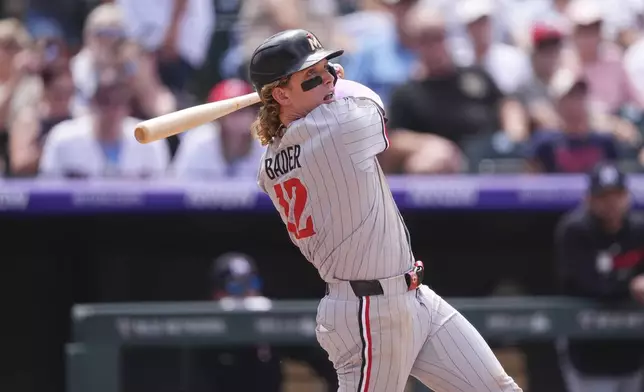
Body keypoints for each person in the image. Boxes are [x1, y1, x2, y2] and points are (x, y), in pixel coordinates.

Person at [249, 28, 522, 392]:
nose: (331, 77)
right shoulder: (337, 125)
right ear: (281, 93)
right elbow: (373, 104)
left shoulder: (272, 160)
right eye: (314, 77)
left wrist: (319, 86)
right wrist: (342, 85)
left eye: (330, 68)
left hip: (410, 294)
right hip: (368, 310)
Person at [555, 162, 644, 392]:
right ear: (589, 199)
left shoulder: (638, 229)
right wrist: (632, 285)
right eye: (604, 196)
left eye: (617, 195)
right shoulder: (575, 230)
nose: (611, 203)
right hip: (588, 350)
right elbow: (594, 286)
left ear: (627, 196)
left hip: (630, 352)